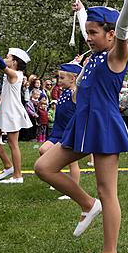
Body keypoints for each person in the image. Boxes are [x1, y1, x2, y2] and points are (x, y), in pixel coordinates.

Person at [34, 0, 128, 253]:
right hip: (81, 125)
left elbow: (122, 29)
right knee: (44, 167)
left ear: (110, 35)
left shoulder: (116, 55)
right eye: (87, 33)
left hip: (104, 126)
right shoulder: (95, 54)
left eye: (94, 33)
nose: (88, 38)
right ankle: (87, 205)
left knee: (107, 190)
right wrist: (84, 12)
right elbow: (96, 26)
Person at [0, 40, 33, 184]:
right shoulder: (13, 72)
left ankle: (18, 176)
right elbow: (2, 63)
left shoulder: (15, 74)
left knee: (13, 144)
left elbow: (1, 64)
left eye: (8, 56)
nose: (6, 58)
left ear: (14, 62)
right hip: (4, 110)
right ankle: (8, 166)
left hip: (11, 111)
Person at [39, 61, 82, 200]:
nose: (59, 81)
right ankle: (58, 178)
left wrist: (84, 68)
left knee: (72, 162)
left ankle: (72, 190)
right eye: (59, 77)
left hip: (68, 131)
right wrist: (74, 62)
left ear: (73, 78)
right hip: (57, 130)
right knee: (43, 150)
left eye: (62, 78)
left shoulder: (75, 93)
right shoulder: (64, 92)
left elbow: (81, 84)